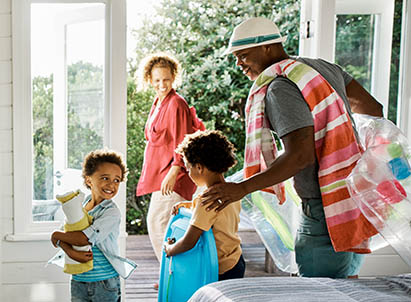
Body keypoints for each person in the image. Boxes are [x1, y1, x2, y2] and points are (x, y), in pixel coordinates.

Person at [200, 17, 384, 279]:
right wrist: (345, 149)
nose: (239, 64)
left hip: (324, 210)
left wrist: (241, 189)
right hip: (352, 200)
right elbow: (373, 109)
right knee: (344, 286)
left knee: (317, 293)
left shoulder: (280, 86)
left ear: (266, 47)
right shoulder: (321, 69)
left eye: (243, 55)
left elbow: (300, 156)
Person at [135, 52, 205, 268]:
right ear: (150, 80)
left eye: (166, 79)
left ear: (173, 77)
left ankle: (173, 272)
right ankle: (170, 272)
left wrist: (174, 170)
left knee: (159, 222)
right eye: (157, 80)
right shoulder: (158, 102)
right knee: (163, 224)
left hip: (173, 174)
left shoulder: (176, 103)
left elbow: (183, 139)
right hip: (161, 174)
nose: (162, 84)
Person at [50, 149, 137, 302]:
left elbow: (84, 239)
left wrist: (56, 236)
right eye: (105, 178)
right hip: (78, 279)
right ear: (89, 180)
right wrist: (70, 251)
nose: (112, 184)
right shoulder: (81, 205)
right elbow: (68, 234)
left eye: (117, 180)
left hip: (104, 283)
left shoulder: (111, 212)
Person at [164, 130, 245, 281]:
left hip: (219, 268)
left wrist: (170, 250)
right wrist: (190, 205)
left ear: (199, 168)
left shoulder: (206, 200)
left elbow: (189, 242)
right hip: (236, 259)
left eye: (188, 168)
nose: (188, 173)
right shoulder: (232, 191)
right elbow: (218, 216)